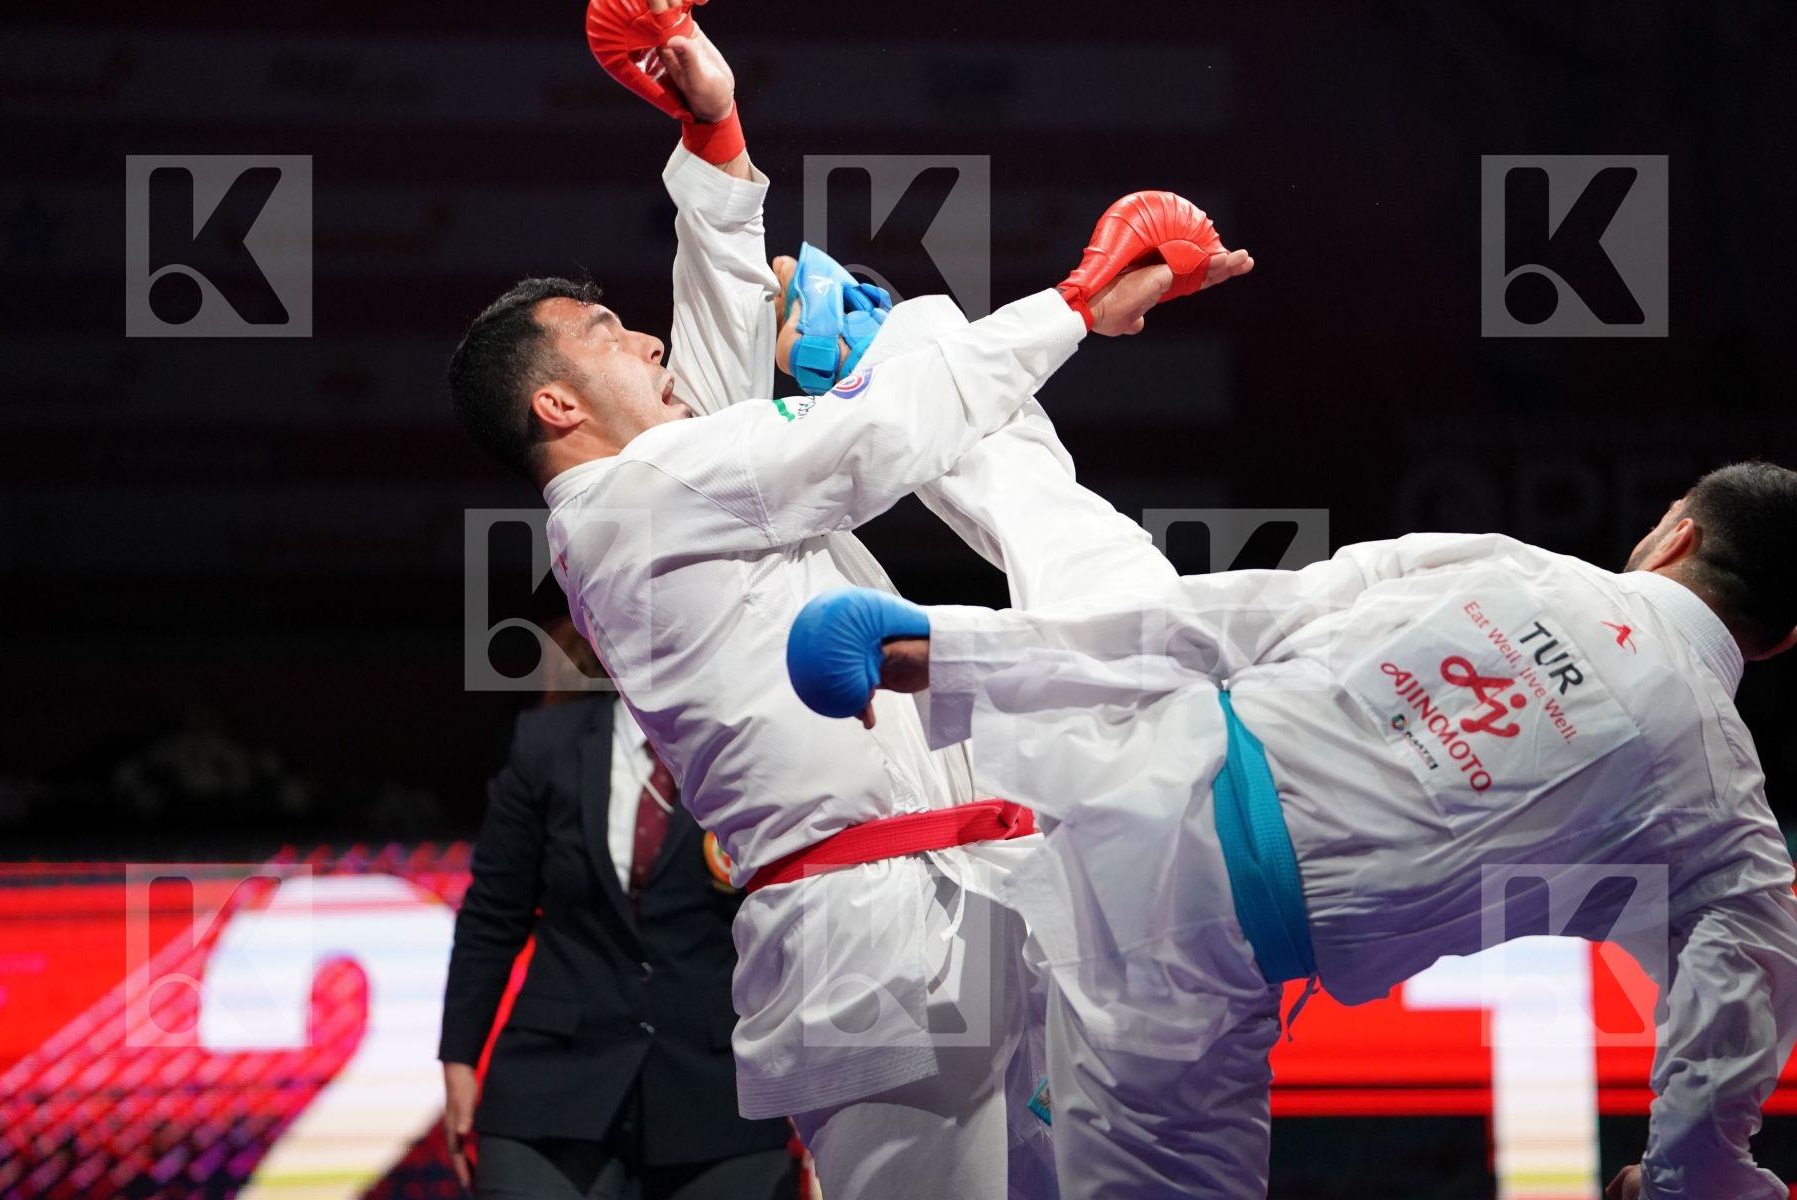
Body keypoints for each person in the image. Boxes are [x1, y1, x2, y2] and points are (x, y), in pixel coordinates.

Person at [445, 2, 1253, 1195]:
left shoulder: (670, 485)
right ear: (556, 406)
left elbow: (720, 342)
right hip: (856, 929)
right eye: (613, 336)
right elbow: (871, 435)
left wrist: (714, 136)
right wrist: (1075, 305)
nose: (651, 346)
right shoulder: (632, 503)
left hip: (970, 890)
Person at [787, 461, 1797, 1199]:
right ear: (1781, 640)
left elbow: (1247, 614)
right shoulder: (1726, 811)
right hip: (1190, 979)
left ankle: (905, 358)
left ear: (1676, 535)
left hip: (1118, 766)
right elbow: (1722, 1044)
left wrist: (949, 648)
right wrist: (1684, 1185)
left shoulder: (1511, 565)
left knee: (1090, 551)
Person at [439, 615, 801, 1200]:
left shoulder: (755, 750)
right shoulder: (546, 745)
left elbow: (798, 921)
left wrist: (821, 1077)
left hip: (720, 1092)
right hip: (553, 1084)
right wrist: (458, 1057)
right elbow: (492, 916)